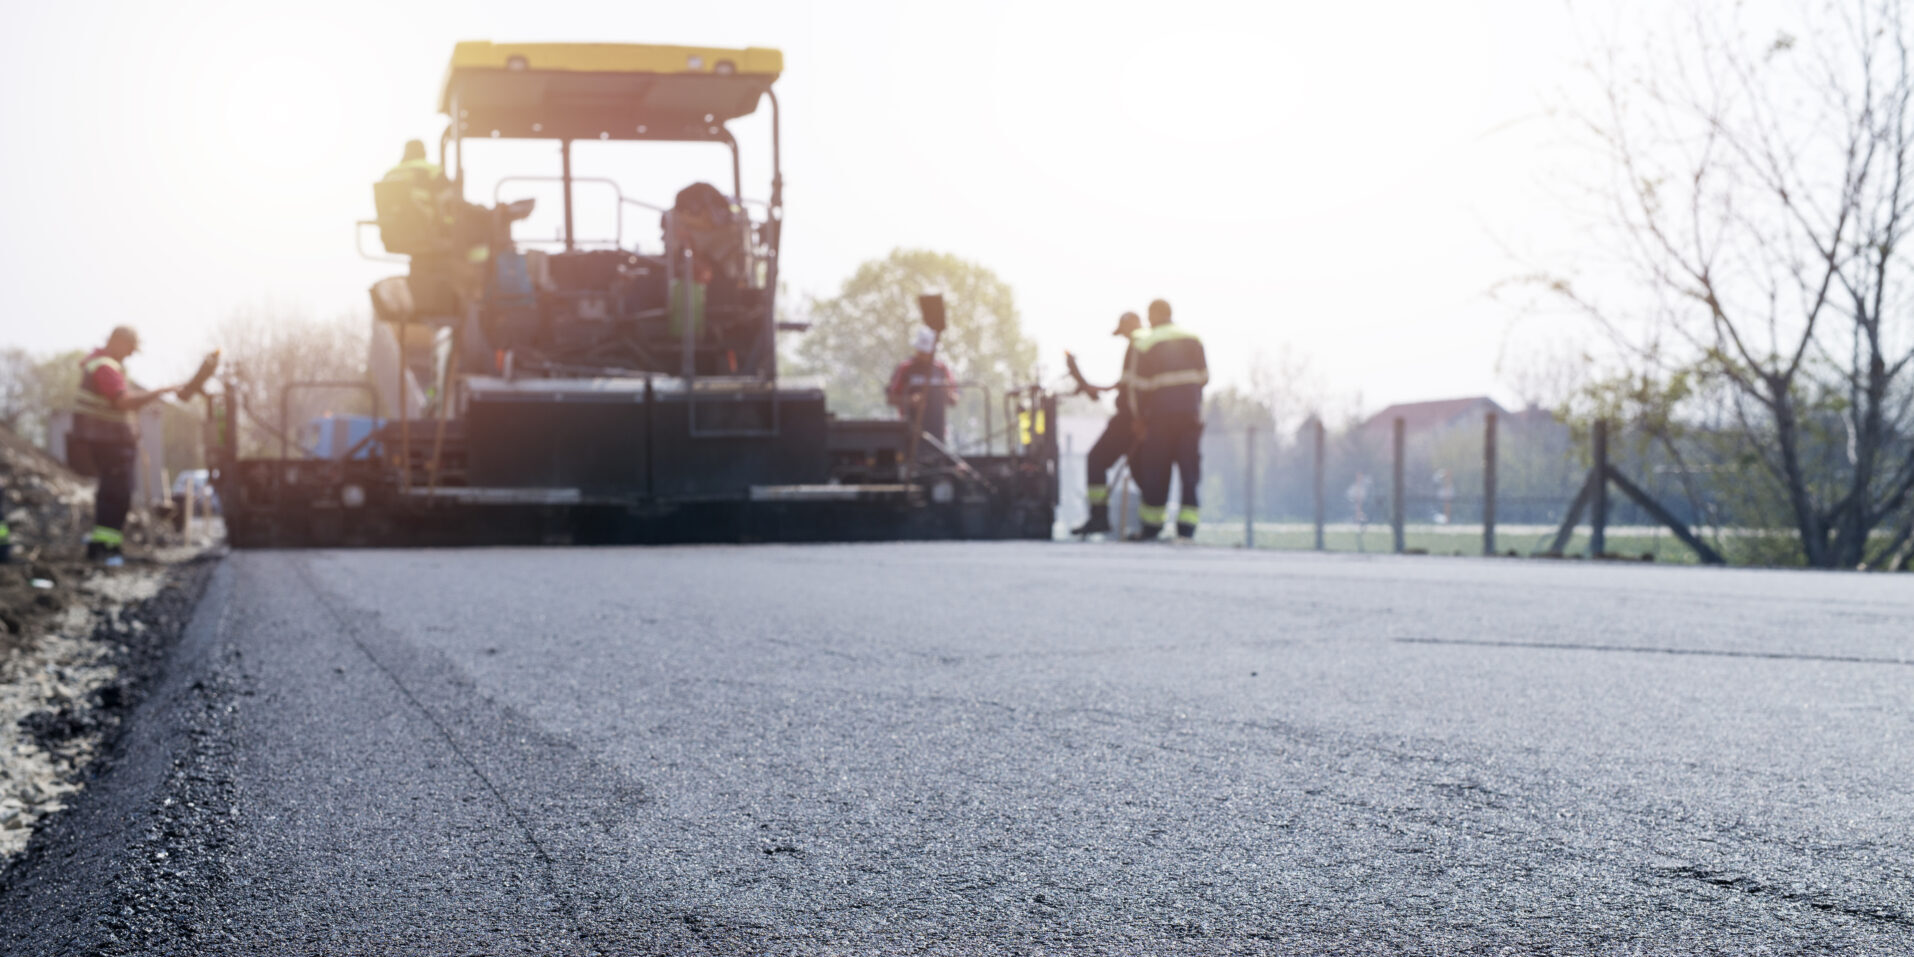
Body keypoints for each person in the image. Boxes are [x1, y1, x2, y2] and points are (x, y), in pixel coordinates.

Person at [70, 327, 177, 564]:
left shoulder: (98, 363)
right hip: (110, 443)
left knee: (113, 492)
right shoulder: (105, 366)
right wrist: (158, 392)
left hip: (107, 442)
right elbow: (122, 402)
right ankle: (107, 549)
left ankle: (105, 546)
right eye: (129, 349)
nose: (129, 355)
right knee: (116, 493)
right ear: (118, 342)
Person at [1124, 299, 1208, 541]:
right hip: (1190, 417)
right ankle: (1187, 529)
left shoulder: (1146, 342)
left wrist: (1139, 418)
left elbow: (1138, 387)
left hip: (1160, 419)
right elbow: (1203, 377)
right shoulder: (1194, 338)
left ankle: (1152, 527)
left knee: (1156, 473)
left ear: (1153, 315)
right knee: (1189, 474)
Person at [1070, 311, 1144, 536]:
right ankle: (1150, 525)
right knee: (1141, 470)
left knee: (1096, 459)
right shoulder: (1139, 347)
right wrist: (1098, 389)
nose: (1123, 337)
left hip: (1129, 419)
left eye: (1124, 331)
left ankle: (1099, 516)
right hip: (1136, 417)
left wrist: (1137, 417)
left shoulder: (1138, 346)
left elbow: (1134, 388)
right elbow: (1124, 384)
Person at [887, 326, 959, 443]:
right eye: (921, 352)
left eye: (926, 352)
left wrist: (947, 392)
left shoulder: (942, 369)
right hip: (910, 433)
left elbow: (954, 399)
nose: (923, 355)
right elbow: (891, 398)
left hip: (938, 434)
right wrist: (910, 400)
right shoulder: (905, 368)